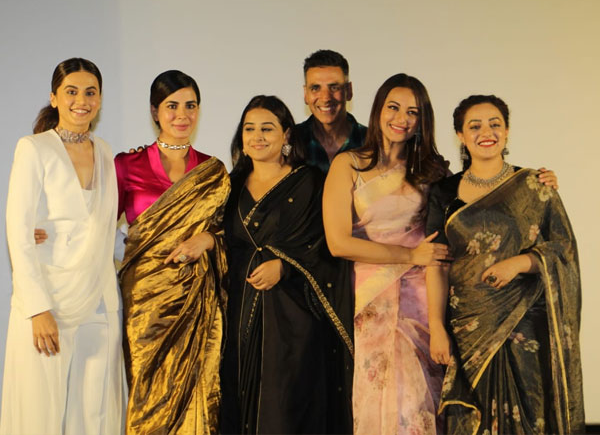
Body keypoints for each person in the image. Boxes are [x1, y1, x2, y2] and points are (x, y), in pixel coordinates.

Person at [425, 95, 584, 434]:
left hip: (523, 322)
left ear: (507, 131)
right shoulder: (443, 192)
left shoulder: (534, 185)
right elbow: (436, 264)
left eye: (495, 124)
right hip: (467, 327)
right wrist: (436, 328)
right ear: (460, 135)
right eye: (475, 126)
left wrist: (520, 263)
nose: (486, 132)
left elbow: (563, 249)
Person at [1, 58, 125, 434]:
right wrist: (38, 308)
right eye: (71, 92)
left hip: (99, 300)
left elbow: (105, 229)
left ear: (100, 99)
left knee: (95, 412)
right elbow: (18, 231)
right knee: (41, 411)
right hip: (48, 300)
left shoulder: (105, 152)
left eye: (90, 92)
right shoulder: (33, 148)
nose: (81, 101)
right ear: (54, 98)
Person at [323, 73, 452, 434]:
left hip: (421, 298)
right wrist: (408, 256)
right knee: (375, 395)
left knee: (418, 401)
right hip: (370, 297)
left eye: (413, 112)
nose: (402, 118)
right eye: (393, 107)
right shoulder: (348, 164)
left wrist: (530, 179)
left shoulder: (432, 172)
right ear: (378, 109)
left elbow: (465, 211)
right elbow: (338, 243)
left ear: (422, 120)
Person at [220, 95, 354, 434]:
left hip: (294, 320)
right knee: (239, 398)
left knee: (286, 407)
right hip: (240, 313)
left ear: (287, 135)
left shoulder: (309, 182)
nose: (257, 136)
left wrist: (285, 266)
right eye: (249, 129)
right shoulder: (229, 186)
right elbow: (222, 240)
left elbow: (326, 245)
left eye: (267, 129)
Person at [115, 70, 229, 434]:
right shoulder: (126, 165)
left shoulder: (213, 171)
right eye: (172, 106)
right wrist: (50, 233)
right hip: (145, 305)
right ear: (155, 111)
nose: (182, 115)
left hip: (197, 302)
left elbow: (234, 234)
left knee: (198, 393)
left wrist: (207, 240)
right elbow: (96, 224)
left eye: (190, 106)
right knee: (147, 397)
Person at [297, 49, 367, 173]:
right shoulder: (292, 141)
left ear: (349, 91)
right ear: (305, 94)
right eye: (315, 88)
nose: (325, 98)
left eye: (334, 87)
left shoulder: (372, 142)